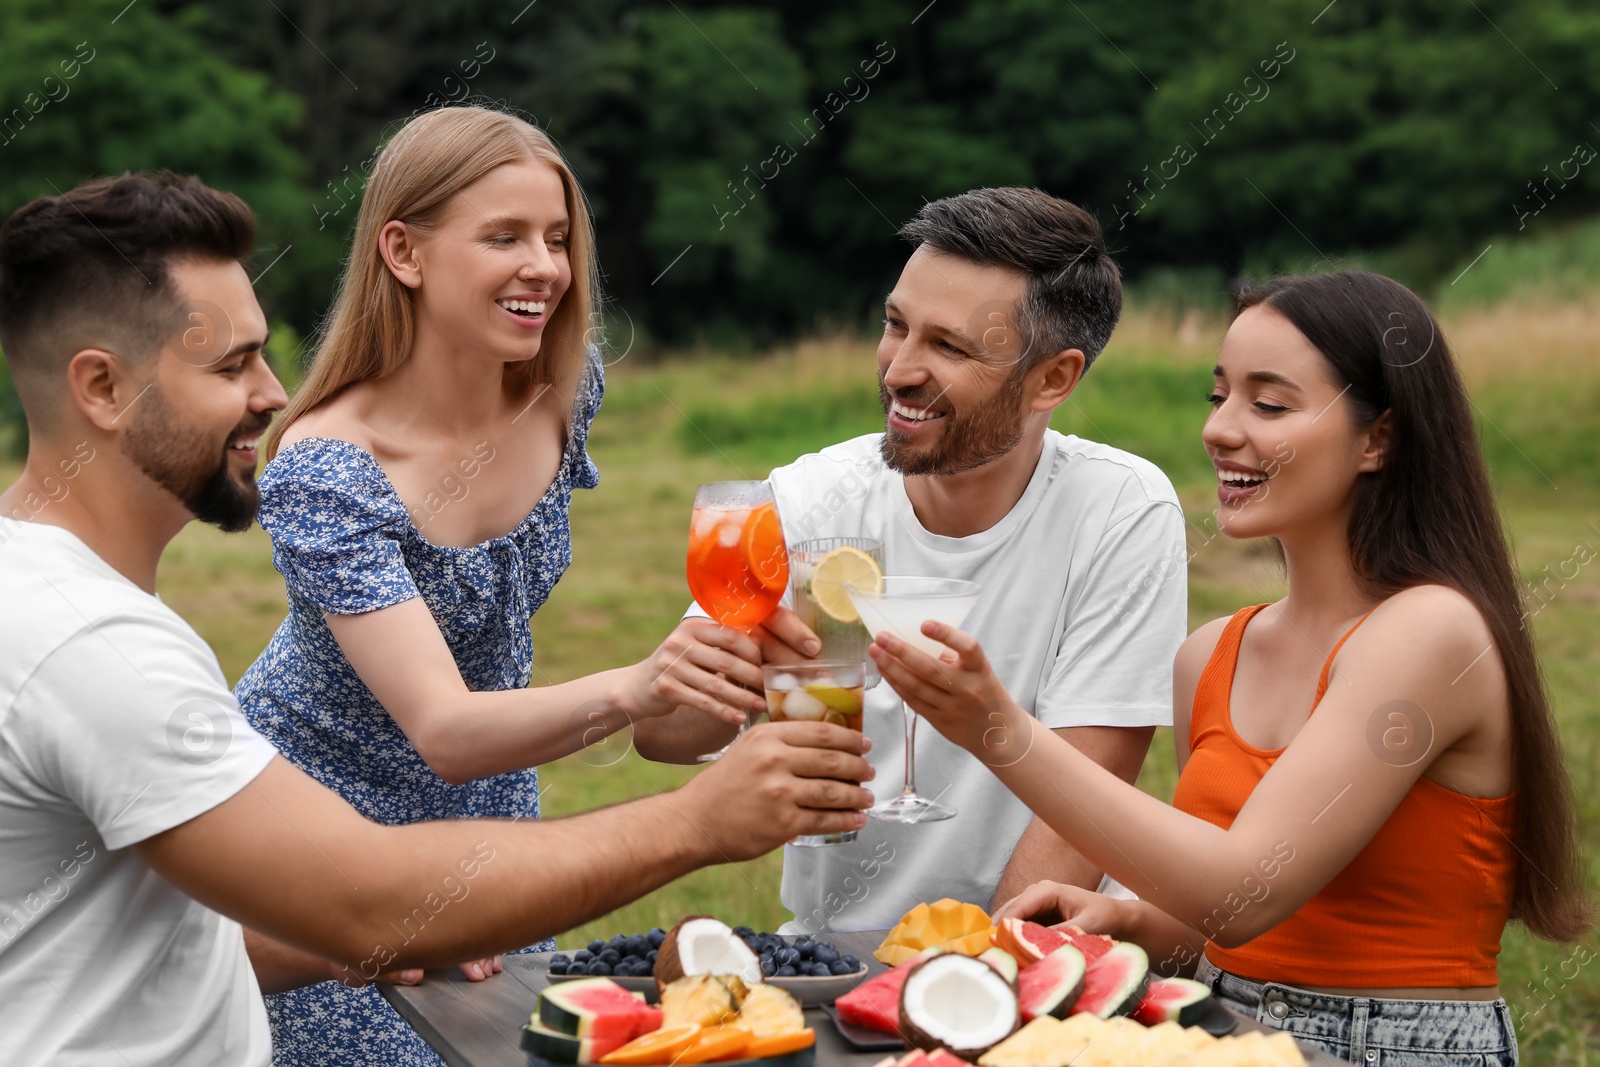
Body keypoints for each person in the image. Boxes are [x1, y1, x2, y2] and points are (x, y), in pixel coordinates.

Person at [0, 170, 875, 1067]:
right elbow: (369, 893)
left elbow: (159, 930)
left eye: (263, 354)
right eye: (231, 365)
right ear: (103, 389)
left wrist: (410, 923)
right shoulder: (96, 648)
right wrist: (697, 820)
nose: (273, 394)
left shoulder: (48, 597)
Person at [874, 270, 1592, 1066]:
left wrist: (1000, 731)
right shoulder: (1210, 655)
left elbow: (1242, 890)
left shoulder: (1431, 633)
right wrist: (1135, 922)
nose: (1220, 430)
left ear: (1377, 438)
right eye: (1218, 396)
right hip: (1220, 1032)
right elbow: (1227, 928)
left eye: (1268, 403)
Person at [229, 107, 788, 1064]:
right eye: (505, 237)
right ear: (402, 251)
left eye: (558, 238)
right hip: (326, 842)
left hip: (495, 828)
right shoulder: (328, 469)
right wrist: (638, 684)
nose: (546, 266)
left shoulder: (566, 388)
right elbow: (444, 730)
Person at [635, 188, 1189, 933]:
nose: (898, 370)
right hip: (827, 954)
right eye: (896, 326)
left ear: (1053, 379)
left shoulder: (1121, 511)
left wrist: (974, 983)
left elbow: (1084, 812)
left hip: (1032, 951)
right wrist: (738, 670)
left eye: (949, 347)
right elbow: (661, 735)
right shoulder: (808, 498)